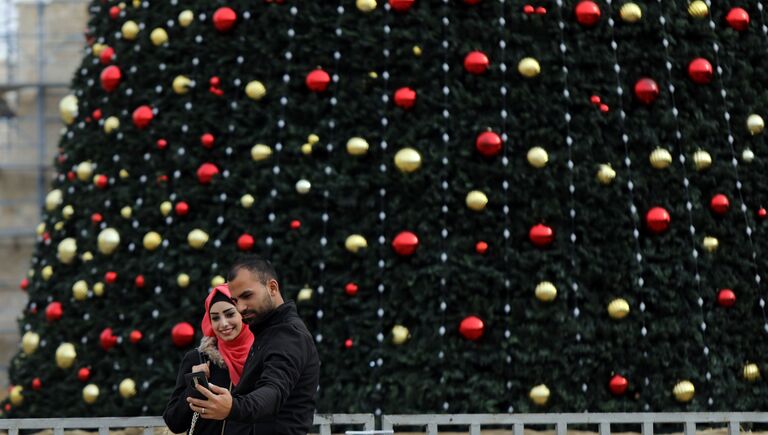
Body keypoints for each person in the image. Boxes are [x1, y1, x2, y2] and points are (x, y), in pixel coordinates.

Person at [187, 256, 320, 435]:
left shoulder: (288, 334)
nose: (241, 307)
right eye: (235, 301)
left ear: (272, 288)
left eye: (247, 296)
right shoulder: (268, 331)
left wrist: (233, 407)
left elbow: (272, 391)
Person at [164, 284, 255, 435]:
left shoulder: (262, 356)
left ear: (243, 314)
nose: (223, 323)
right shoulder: (198, 358)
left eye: (230, 314)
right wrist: (195, 385)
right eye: (215, 318)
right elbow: (175, 422)